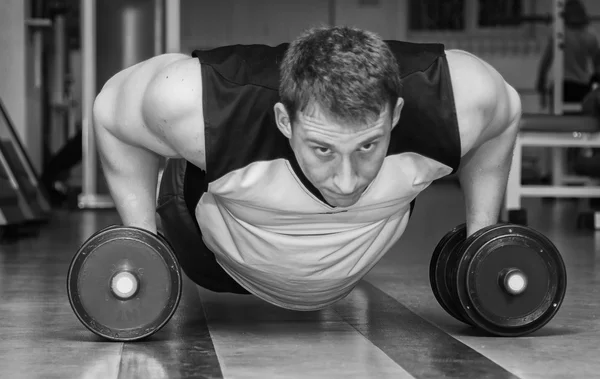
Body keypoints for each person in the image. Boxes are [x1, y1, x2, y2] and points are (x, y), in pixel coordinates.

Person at [92, 26, 522, 311]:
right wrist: (139, 240)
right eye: (323, 149)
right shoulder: (200, 106)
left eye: (368, 145)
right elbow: (112, 112)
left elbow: (505, 117)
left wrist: (482, 238)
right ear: (284, 121)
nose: (348, 181)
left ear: (395, 117)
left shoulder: (459, 99)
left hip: (351, 257)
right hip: (212, 256)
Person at [536, 0, 600, 108]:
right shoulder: (590, 35)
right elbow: (597, 67)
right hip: (582, 86)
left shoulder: (559, 33)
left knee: (558, 120)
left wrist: (541, 84)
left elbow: (545, 62)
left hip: (563, 86)